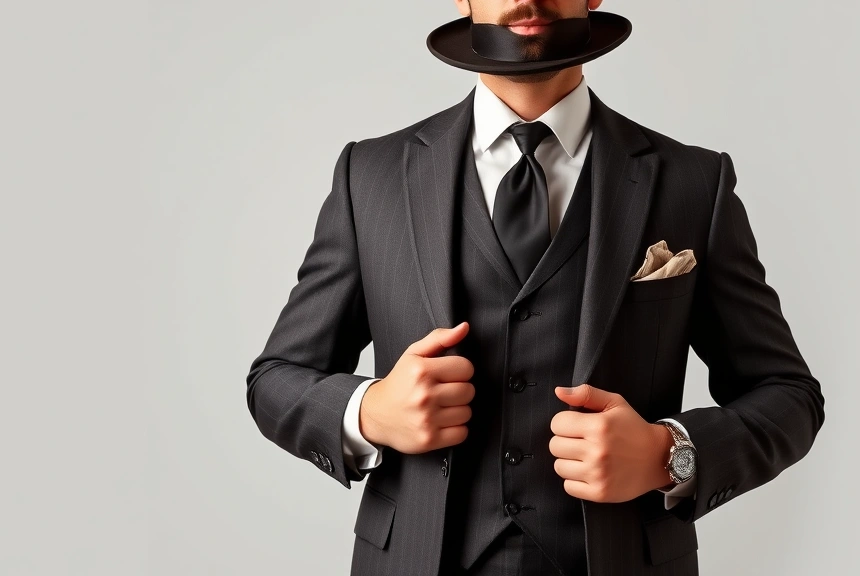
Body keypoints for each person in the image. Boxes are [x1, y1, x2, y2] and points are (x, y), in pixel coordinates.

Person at [245, 2, 825, 575]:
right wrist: (369, 412)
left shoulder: (694, 183)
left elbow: (788, 395)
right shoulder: (369, 176)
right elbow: (276, 378)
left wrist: (664, 455)